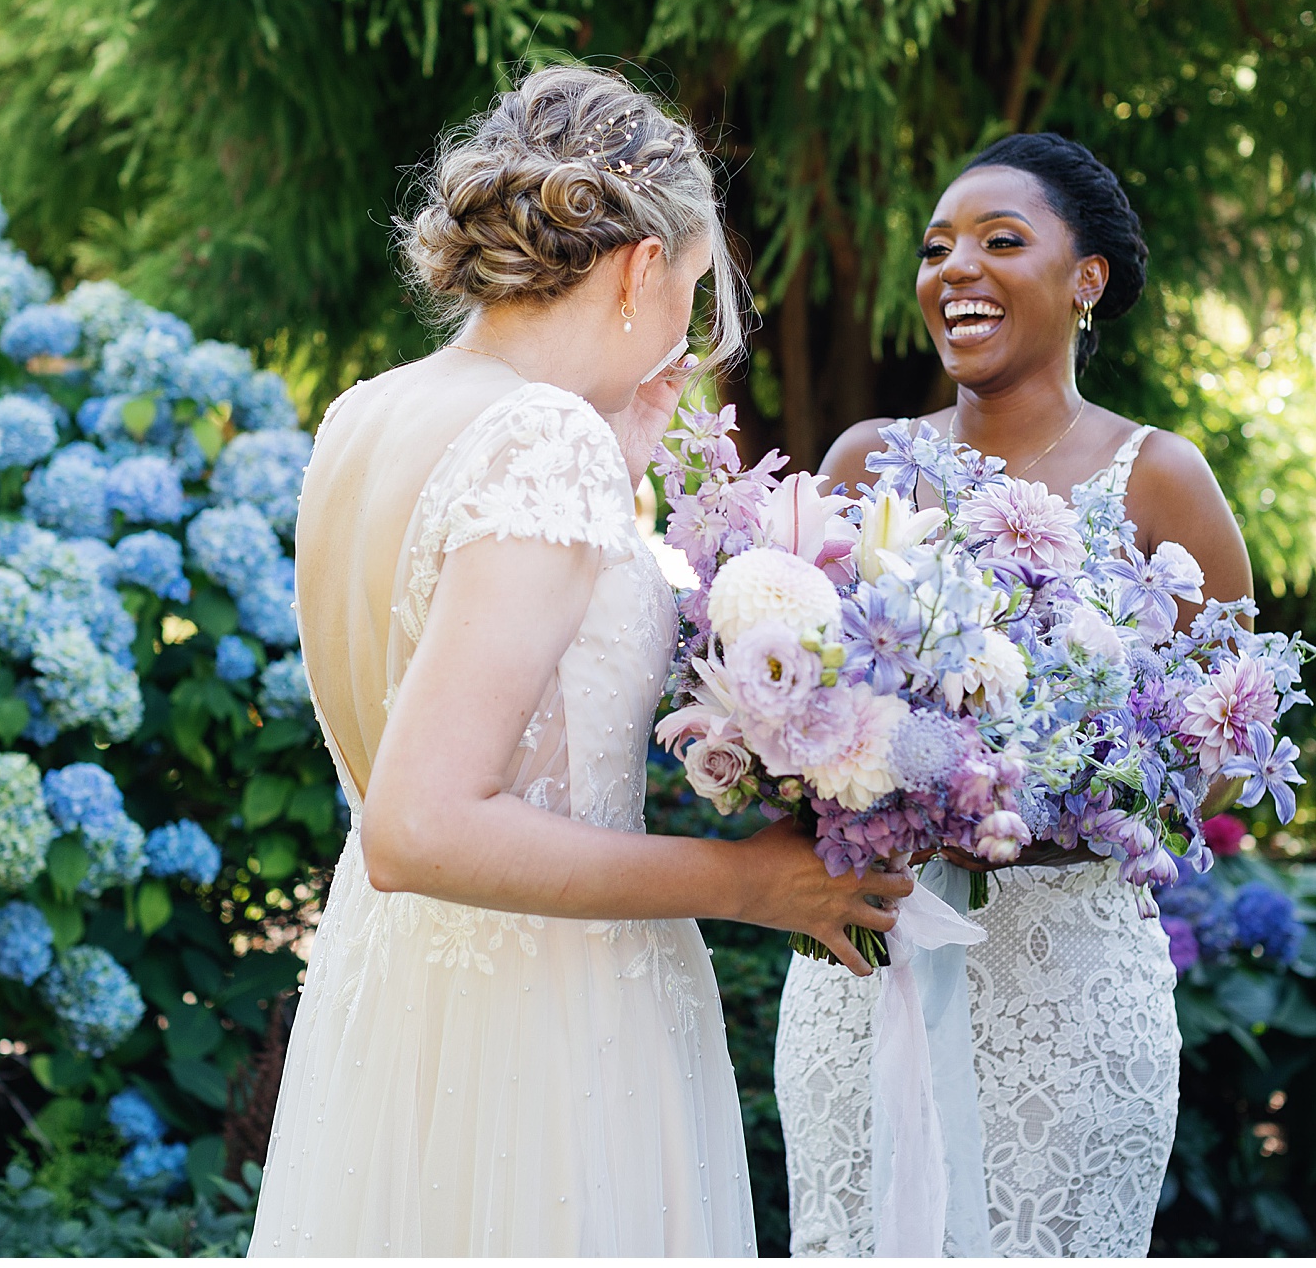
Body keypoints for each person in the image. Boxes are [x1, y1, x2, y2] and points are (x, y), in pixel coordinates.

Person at [248, 65, 911, 1258]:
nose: (687, 337)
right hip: (546, 1022)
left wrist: (618, 456)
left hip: (395, 1005)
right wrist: (747, 882)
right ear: (639, 268)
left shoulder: (371, 412)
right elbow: (422, 825)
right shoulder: (543, 443)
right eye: (694, 294)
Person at [772, 132, 1254, 1257]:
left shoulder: (1163, 478)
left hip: (1068, 993)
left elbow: (1228, 738)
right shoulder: (865, 463)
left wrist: (1065, 796)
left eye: (1001, 240)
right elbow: (784, 692)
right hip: (870, 969)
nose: (956, 270)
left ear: (1086, 279)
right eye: (938, 248)